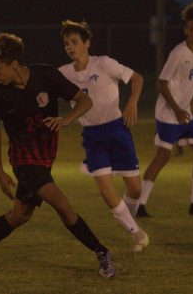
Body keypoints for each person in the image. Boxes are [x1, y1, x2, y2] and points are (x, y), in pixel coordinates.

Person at [0, 33, 116, 278]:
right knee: (63, 206)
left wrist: (66, 119)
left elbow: (85, 101)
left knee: (20, 215)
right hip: (24, 162)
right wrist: (0, 172)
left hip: (45, 159)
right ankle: (102, 252)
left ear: (13, 64)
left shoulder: (46, 76)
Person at [58, 20, 149, 252]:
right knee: (106, 189)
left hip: (118, 130)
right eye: (66, 43)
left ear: (87, 43)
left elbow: (137, 78)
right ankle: (138, 234)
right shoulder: (63, 74)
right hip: (92, 136)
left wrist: (132, 102)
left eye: (75, 42)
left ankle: (130, 224)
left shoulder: (104, 63)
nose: (70, 47)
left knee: (135, 190)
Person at [138, 3, 193, 216]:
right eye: (191, 29)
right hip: (168, 114)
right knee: (162, 157)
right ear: (185, 30)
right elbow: (162, 83)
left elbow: (189, 83)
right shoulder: (178, 53)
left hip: (185, 114)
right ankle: (139, 205)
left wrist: (192, 106)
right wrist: (178, 110)